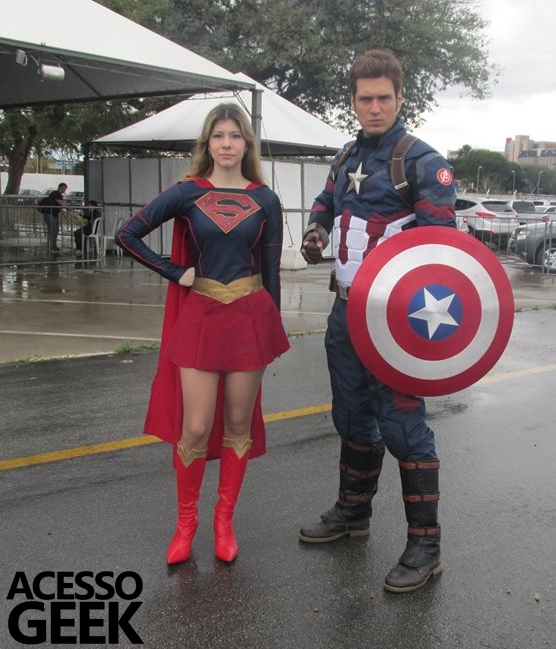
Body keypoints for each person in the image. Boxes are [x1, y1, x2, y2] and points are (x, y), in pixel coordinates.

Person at [299, 50, 456, 593]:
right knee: (351, 416)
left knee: (403, 427)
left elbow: (443, 253)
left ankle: (426, 545)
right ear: (352, 101)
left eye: (383, 98)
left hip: (396, 321)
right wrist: (316, 231)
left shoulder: (422, 162)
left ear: (399, 97)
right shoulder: (346, 157)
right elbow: (324, 204)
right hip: (346, 313)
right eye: (365, 98)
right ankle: (353, 512)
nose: (374, 107)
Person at [115, 102, 290, 565]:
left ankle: (224, 522)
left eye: (235, 136)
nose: (227, 144)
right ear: (207, 143)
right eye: (219, 135)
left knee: (238, 424)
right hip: (201, 315)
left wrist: (272, 326)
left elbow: (271, 268)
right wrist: (176, 272)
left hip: (249, 318)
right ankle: (186, 524)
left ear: (247, 144)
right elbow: (128, 235)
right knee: (194, 427)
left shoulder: (266, 199)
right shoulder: (188, 192)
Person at [39, 182, 67, 252]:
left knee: (55, 230)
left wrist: (65, 213)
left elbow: (60, 207)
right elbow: (61, 203)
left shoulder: (57, 195)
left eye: (65, 189)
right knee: (53, 230)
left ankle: (53, 245)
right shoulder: (56, 194)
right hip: (50, 214)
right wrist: (70, 209)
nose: (64, 190)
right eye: (63, 188)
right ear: (59, 188)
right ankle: (52, 246)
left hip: (53, 215)